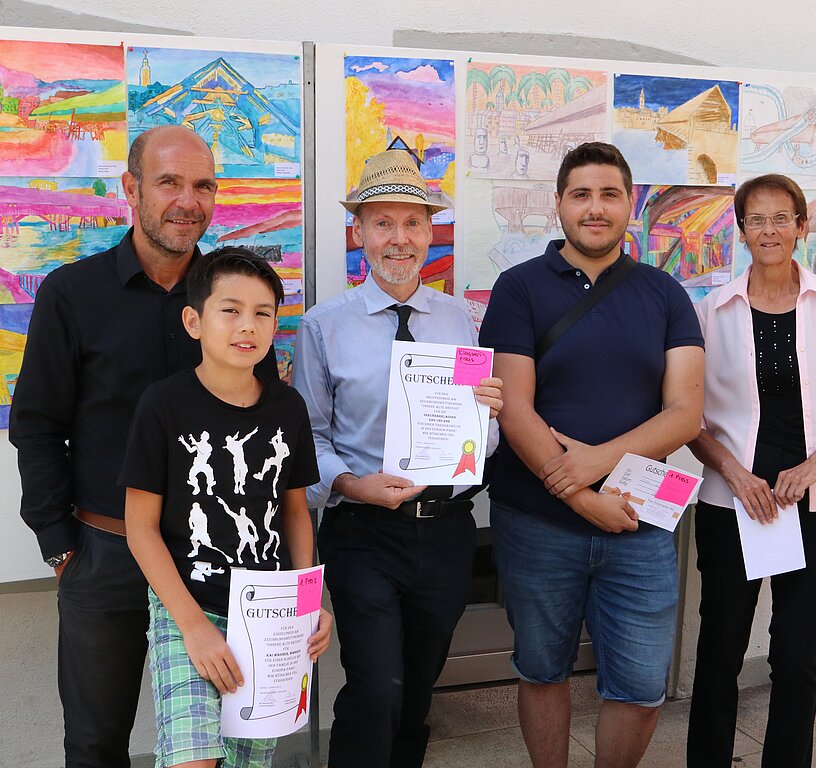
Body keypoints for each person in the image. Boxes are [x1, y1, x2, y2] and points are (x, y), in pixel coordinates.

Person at [9, 125, 277, 768]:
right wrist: (59, 546)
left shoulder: (232, 299)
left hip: (217, 558)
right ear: (130, 189)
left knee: (223, 743)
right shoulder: (73, 293)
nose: (188, 200)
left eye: (203, 185)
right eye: (169, 182)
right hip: (106, 555)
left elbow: (260, 428)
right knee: (97, 742)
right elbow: (38, 423)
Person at [478, 141, 705, 768]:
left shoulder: (665, 293)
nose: (595, 208)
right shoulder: (518, 288)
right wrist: (579, 495)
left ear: (629, 204)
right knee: (542, 670)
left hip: (640, 521)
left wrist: (596, 465)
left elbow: (685, 413)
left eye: (609, 195)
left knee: (639, 684)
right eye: (581, 194)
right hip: (537, 521)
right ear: (559, 204)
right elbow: (514, 407)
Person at [294, 149, 503, 768]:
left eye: (412, 223)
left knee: (416, 688)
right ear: (359, 232)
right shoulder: (322, 326)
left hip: (446, 533)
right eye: (382, 223)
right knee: (377, 686)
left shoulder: (462, 320)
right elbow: (309, 439)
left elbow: (480, 441)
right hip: (364, 533)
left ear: (430, 232)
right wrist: (354, 487)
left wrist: (484, 418)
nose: (399, 239)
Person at [686, 174, 816, 768]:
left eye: (780, 218)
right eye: (755, 220)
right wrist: (736, 475)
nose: (768, 231)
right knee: (720, 649)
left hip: (815, 503)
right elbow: (687, 417)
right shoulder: (711, 310)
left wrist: (812, 468)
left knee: (798, 654)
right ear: (741, 230)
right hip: (734, 501)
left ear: (802, 225)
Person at [120, 246, 332, 768]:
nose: (247, 326)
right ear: (194, 320)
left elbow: (295, 512)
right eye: (230, 310)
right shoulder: (163, 404)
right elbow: (140, 526)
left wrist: (310, 602)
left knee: (247, 760)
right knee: (192, 757)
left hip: (268, 615)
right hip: (186, 606)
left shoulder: (287, 407)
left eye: (263, 313)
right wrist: (192, 625)